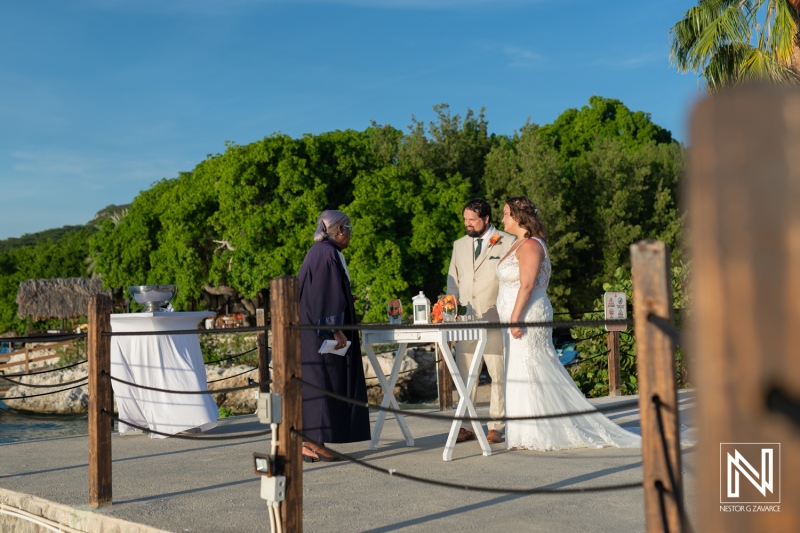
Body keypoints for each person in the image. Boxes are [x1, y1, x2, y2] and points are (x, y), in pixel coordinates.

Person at [496, 197, 641, 450]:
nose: (502, 219)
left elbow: (528, 284)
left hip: (527, 315)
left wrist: (515, 317)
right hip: (517, 314)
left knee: (530, 367)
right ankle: (524, 431)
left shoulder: (530, 245)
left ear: (518, 217)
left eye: (506, 214)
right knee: (521, 368)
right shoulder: (519, 242)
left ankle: (538, 431)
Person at [297, 210, 371, 462]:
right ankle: (311, 443)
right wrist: (334, 328)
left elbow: (323, 291)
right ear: (339, 230)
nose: (350, 234)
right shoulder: (327, 253)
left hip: (313, 329)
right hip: (321, 333)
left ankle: (313, 441)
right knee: (323, 380)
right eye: (348, 228)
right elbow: (323, 296)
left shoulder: (321, 252)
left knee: (323, 380)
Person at [446, 198, 515, 444]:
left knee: (498, 372)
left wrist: (505, 311)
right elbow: (453, 280)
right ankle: (465, 424)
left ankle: (496, 425)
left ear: (486, 219)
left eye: (472, 220)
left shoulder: (509, 242)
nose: (467, 224)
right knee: (465, 374)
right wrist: (450, 310)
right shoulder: (459, 245)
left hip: (496, 317)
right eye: (465, 219)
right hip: (465, 320)